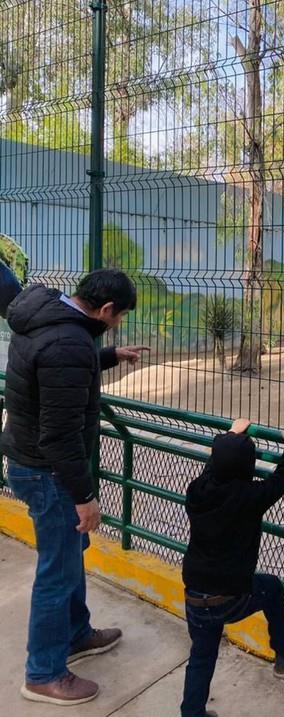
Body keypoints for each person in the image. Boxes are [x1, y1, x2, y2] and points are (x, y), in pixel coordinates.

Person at [2, 269, 149, 706]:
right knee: (57, 572)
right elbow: (61, 433)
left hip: (32, 462)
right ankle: (43, 673)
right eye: (118, 317)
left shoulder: (49, 315)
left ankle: (76, 635)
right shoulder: (67, 342)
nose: (117, 323)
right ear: (105, 309)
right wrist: (84, 498)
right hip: (48, 473)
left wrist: (109, 355)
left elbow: (56, 364)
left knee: (69, 559)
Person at [181, 419, 284, 717]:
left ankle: (192, 713)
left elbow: (213, 468)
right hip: (230, 596)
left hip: (195, 597)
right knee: (272, 588)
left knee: (201, 657)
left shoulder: (197, 491)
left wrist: (230, 436)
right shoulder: (249, 497)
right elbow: (282, 479)